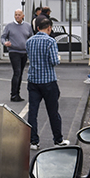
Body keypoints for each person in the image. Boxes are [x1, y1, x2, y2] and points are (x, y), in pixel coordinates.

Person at [25, 16, 66, 150]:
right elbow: (54, 61)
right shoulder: (50, 41)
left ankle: (34, 141)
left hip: (33, 81)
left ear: (37, 28)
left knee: (33, 112)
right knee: (53, 112)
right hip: (48, 81)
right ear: (49, 28)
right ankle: (58, 140)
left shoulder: (29, 41)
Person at [1, 8, 32, 103]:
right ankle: (13, 94)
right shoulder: (9, 26)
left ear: (23, 16)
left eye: (19, 14)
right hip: (14, 51)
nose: (17, 16)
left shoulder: (27, 26)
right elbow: (3, 37)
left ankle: (17, 93)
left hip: (24, 52)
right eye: (16, 15)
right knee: (17, 72)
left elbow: (31, 37)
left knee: (20, 73)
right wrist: (5, 43)